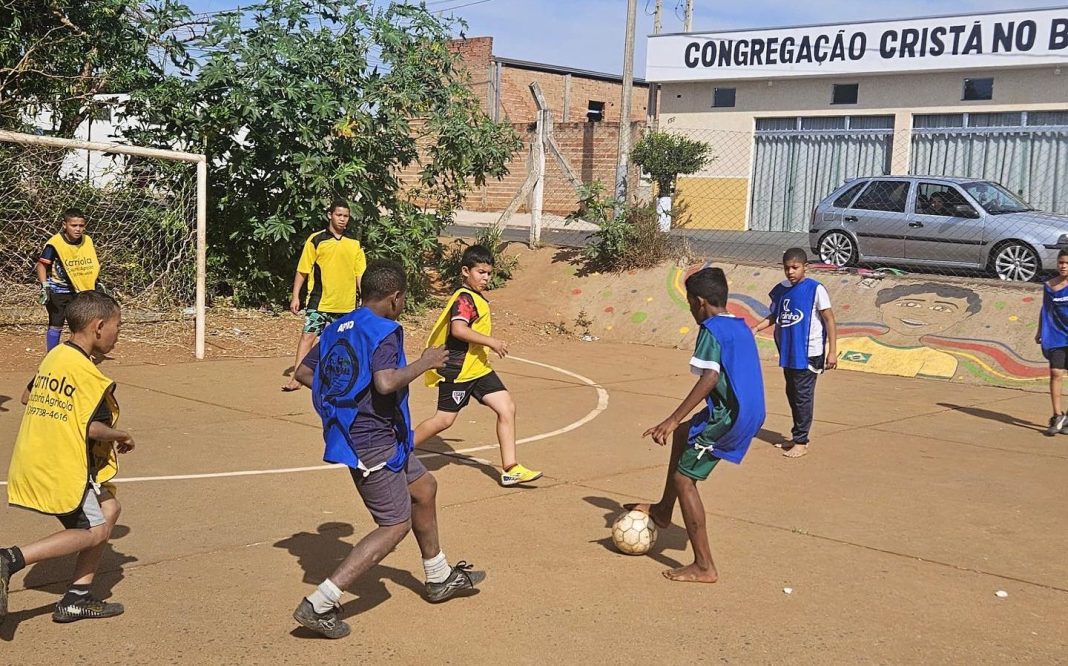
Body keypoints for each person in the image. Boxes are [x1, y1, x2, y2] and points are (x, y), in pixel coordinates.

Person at [291, 261, 484, 640]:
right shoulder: (385, 330)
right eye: (404, 298)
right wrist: (424, 362)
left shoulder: (336, 327)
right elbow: (384, 382)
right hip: (371, 440)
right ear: (395, 298)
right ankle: (319, 603)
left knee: (424, 488)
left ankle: (439, 575)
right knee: (394, 524)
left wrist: (343, 401)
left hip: (379, 435)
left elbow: (302, 372)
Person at [1, 291, 134, 624]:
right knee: (95, 530)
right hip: (64, 466)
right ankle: (10, 559)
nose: (119, 334)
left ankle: (76, 598)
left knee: (109, 508)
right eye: (118, 326)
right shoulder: (89, 376)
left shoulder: (57, 355)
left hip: (40, 458)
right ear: (98, 326)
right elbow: (94, 429)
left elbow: (27, 395)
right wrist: (123, 435)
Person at [626, 267, 765, 583]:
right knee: (684, 434)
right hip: (746, 408)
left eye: (690, 303)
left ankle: (704, 566)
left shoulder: (711, 329)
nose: (690, 310)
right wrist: (679, 424)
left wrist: (671, 418)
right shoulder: (739, 326)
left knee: (684, 480)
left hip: (731, 417)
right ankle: (663, 511)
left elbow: (710, 377)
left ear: (700, 302)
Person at [413, 245, 542, 487]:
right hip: (459, 370)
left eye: (489, 273)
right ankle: (399, 451)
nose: (485, 278)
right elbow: (458, 330)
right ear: (465, 271)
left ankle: (510, 468)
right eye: (480, 272)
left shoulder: (475, 298)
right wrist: (491, 341)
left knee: (506, 407)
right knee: (444, 420)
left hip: (479, 368)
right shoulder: (464, 299)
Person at [752, 248, 837, 458]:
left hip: (809, 352)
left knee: (803, 396)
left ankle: (801, 441)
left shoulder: (815, 289)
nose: (790, 272)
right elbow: (775, 316)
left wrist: (832, 352)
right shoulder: (781, 289)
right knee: (792, 393)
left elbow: (829, 320)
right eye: (786, 268)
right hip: (789, 351)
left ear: (805, 267)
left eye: (795, 267)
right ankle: (796, 435)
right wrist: (754, 328)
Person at [282, 199, 366, 391]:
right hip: (319, 301)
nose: (342, 219)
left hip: (345, 304)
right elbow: (302, 270)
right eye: (339, 215)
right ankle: (297, 378)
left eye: (346, 216)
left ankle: (341, 380)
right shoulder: (316, 240)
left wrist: (365, 298)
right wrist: (296, 296)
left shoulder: (354, 244)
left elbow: (359, 274)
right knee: (308, 336)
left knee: (343, 342)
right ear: (330, 215)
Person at [37, 208, 101, 352]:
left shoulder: (87, 241)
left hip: (79, 290)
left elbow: (89, 264)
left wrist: (97, 282)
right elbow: (41, 265)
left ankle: (79, 354)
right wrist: (44, 286)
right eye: (74, 225)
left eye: (81, 226)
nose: (78, 229)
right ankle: (51, 356)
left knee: (81, 324)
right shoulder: (55, 244)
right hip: (58, 291)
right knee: (56, 323)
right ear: (64, 225)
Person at [1036, 249, 1068, 436]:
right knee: (1056, 372)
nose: (1063, 266)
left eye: (1067, 263)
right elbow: (1045, 310)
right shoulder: (1049, 286)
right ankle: (1057, 415)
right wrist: (1040, 330)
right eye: (1061, 262)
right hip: (1057, 335)